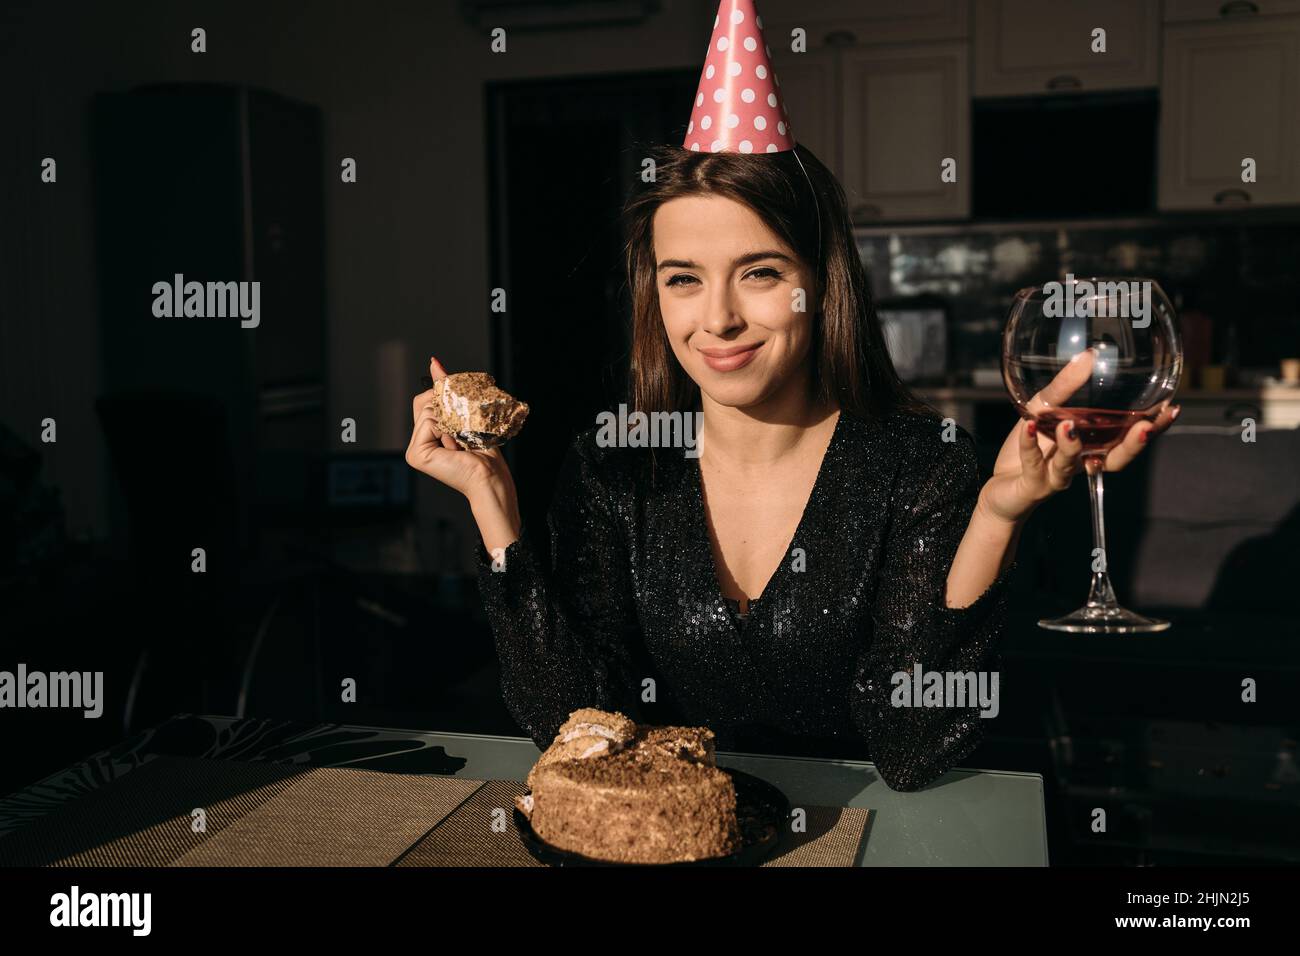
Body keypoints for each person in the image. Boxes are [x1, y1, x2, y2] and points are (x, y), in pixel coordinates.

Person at [406, 1, 1177, 788]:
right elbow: (570, 725)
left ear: (822, 283)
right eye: (684, 280)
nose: (719, 319)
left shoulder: (920, 467)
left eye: (761, 272)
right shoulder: (614, 467)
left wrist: (997, 515)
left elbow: (911, 752)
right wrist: (493, 503)